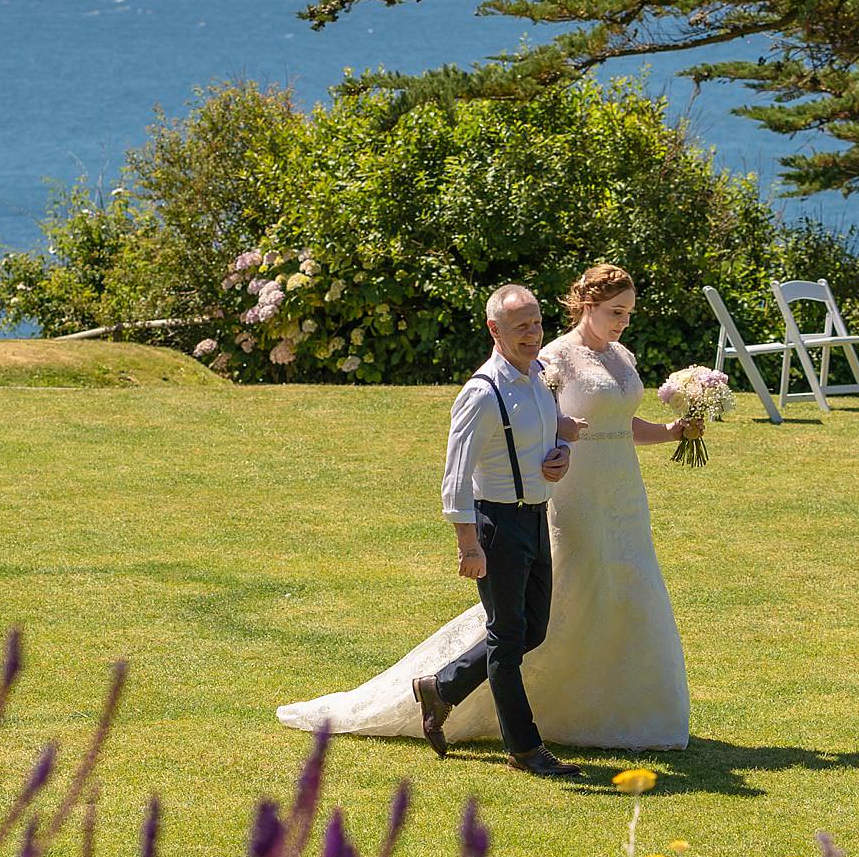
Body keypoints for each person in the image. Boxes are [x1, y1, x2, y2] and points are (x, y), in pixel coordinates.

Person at [276, 265, 696, 763]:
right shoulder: (485, 390)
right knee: (508, 633)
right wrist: (468, 542)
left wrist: (564, 447)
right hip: (502, 518)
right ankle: (525, 745)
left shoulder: (537, 379)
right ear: (494, 329)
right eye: (521, 326)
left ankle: (442, 688)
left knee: (533, 628)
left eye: (536, 324)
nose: (533, 336)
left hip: (544, 508)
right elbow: (456, 476)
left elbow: (554, 429)